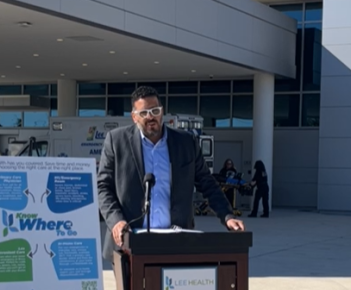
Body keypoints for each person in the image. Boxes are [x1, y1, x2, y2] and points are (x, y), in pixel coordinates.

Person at [96, 86, 245, 261]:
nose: (151, 117)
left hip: (176, 242)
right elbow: (103, 187)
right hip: (129, 242)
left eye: (155, 111)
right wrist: (116, 221)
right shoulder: (116, 140)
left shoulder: (186, 142)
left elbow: (207, 183)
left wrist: (227, 216)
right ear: (134, 116)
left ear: (162, 111)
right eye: (144, 113)